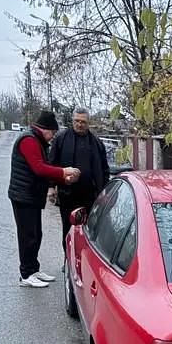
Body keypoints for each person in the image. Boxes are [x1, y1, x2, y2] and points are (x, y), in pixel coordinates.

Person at [8, 111, 80, 289]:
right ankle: (26, 274)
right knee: (28, 236)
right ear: (46, 129)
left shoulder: (37, 140)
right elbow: (39, 168)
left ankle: (33, 269)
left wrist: (62, 179)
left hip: (30, 196)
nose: (53, 137)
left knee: (36, 234)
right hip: (23, 196)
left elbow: (45, 168)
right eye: (53, 133)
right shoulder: (29, 141)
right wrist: (64, 172)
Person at [49, 107, 110, 253]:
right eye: (77, 121)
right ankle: (68, 258)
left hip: (91, 196)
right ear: (72, 120)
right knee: (68, 229)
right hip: (67, 194)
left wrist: (104, 191)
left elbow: (104, 169)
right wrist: (51, 187)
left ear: (88, 122)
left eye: (83, 122)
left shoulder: (96, 142)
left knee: (90, 231)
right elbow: (51, 164)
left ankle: (85, 259)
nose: (79, 124)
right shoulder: (61, 139)